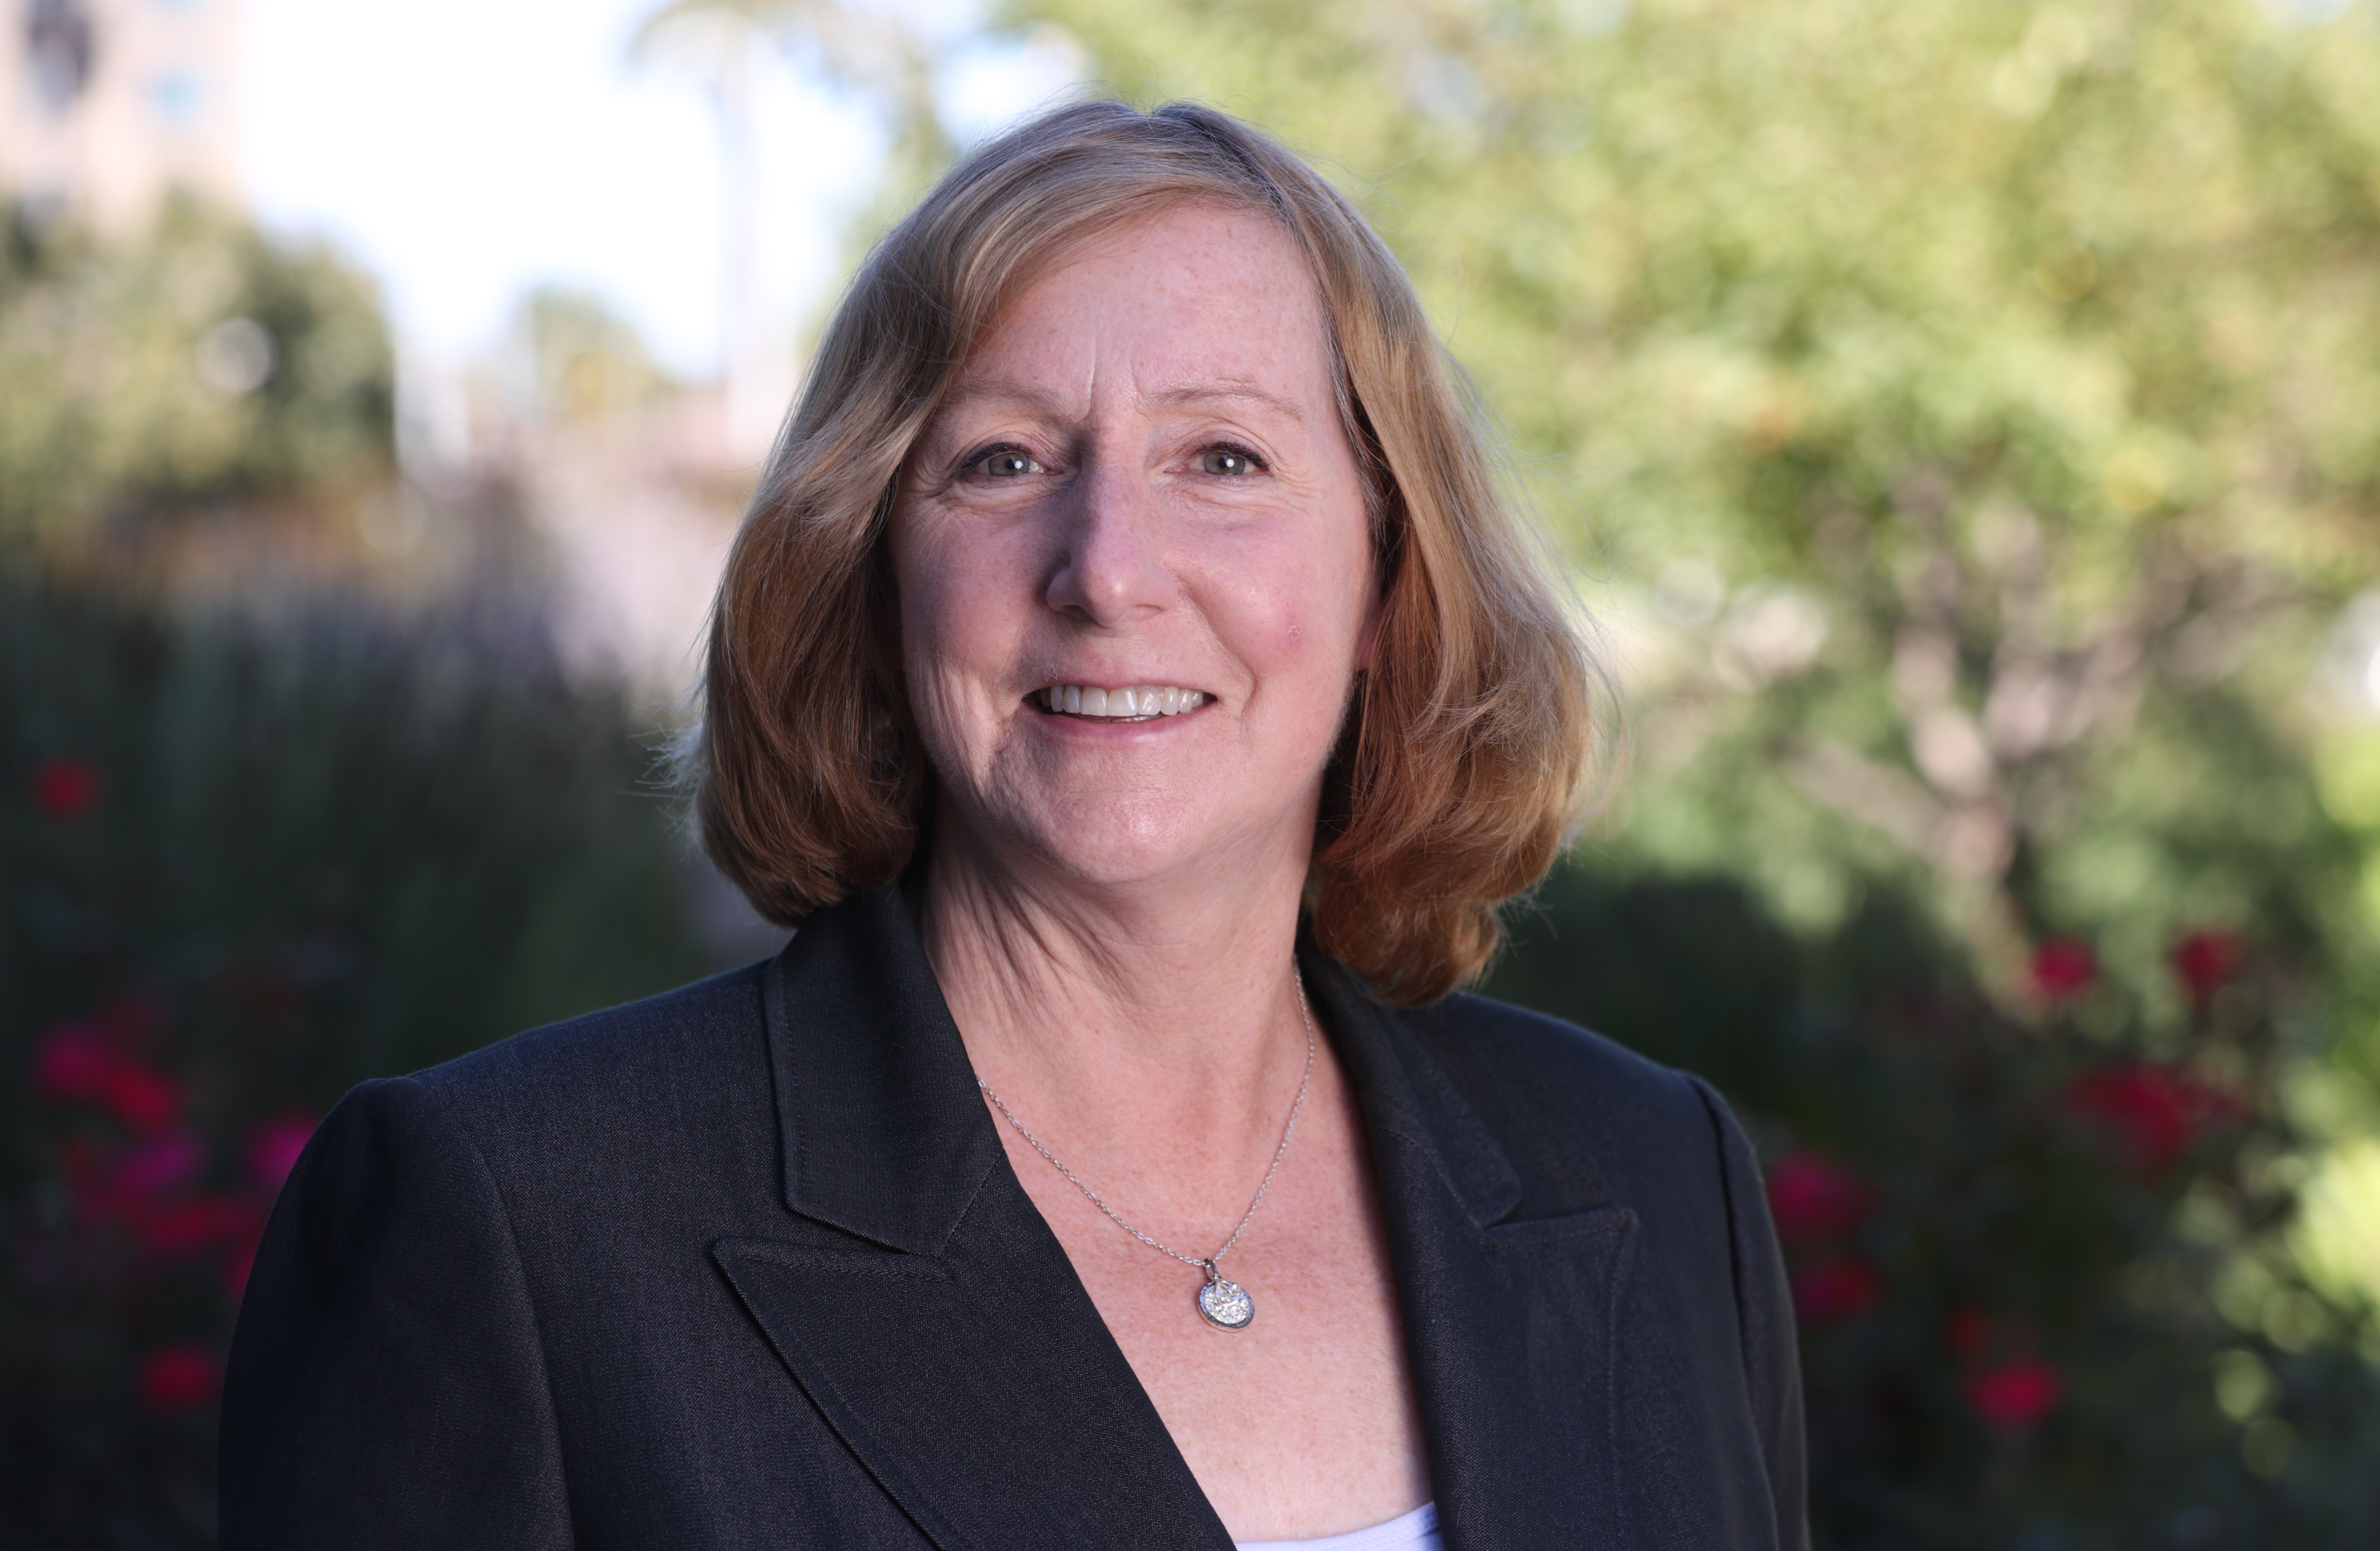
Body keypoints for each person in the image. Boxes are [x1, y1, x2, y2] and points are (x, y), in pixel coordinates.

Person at [219, 100, 1806, 1551]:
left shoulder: (1651, 1176)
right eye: (1004, 461)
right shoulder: (514, 1223)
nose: (1108, 568)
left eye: (1226, 457)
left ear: (1389, 580)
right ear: (872, 565)